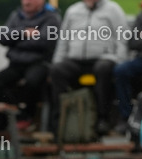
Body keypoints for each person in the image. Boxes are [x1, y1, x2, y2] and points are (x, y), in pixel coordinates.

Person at [50, 0, 127, 136]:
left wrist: (119, 60)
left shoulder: (113, 9)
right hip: (75, 60)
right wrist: (57, 61)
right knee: (57, 70)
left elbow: (122, 37)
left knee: (103, 69)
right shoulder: (72, 11)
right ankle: (60, 119)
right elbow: (63, 39)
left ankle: (102, 119)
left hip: (103, 59)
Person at [0, 0, 60, 129]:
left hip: (40, 63)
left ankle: (29, 116)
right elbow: (2, 37)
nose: (26, 2)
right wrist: (24, 33)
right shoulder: (16, 15)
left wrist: (16, 39)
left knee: (32, 81)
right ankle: (17, 113)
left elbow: (45, 41)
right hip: (16, 64)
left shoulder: (51, 18)